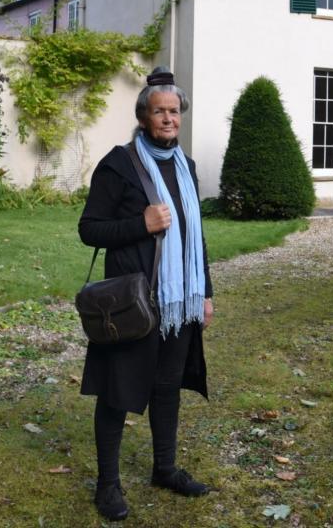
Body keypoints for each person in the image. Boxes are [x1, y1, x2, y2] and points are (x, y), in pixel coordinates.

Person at [77, 66, 214, 521]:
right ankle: (107, 485)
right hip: (134, 303)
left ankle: (165, 468)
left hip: (181, 301)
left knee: (167, 386)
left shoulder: (186, 166)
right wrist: (141, 224)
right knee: (117, 393)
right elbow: (89, 229)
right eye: (160, 112)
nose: (169, 119)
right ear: (143, 117)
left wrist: (206, 292)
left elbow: (197, 236)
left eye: (175, 111)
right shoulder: (118, 165)